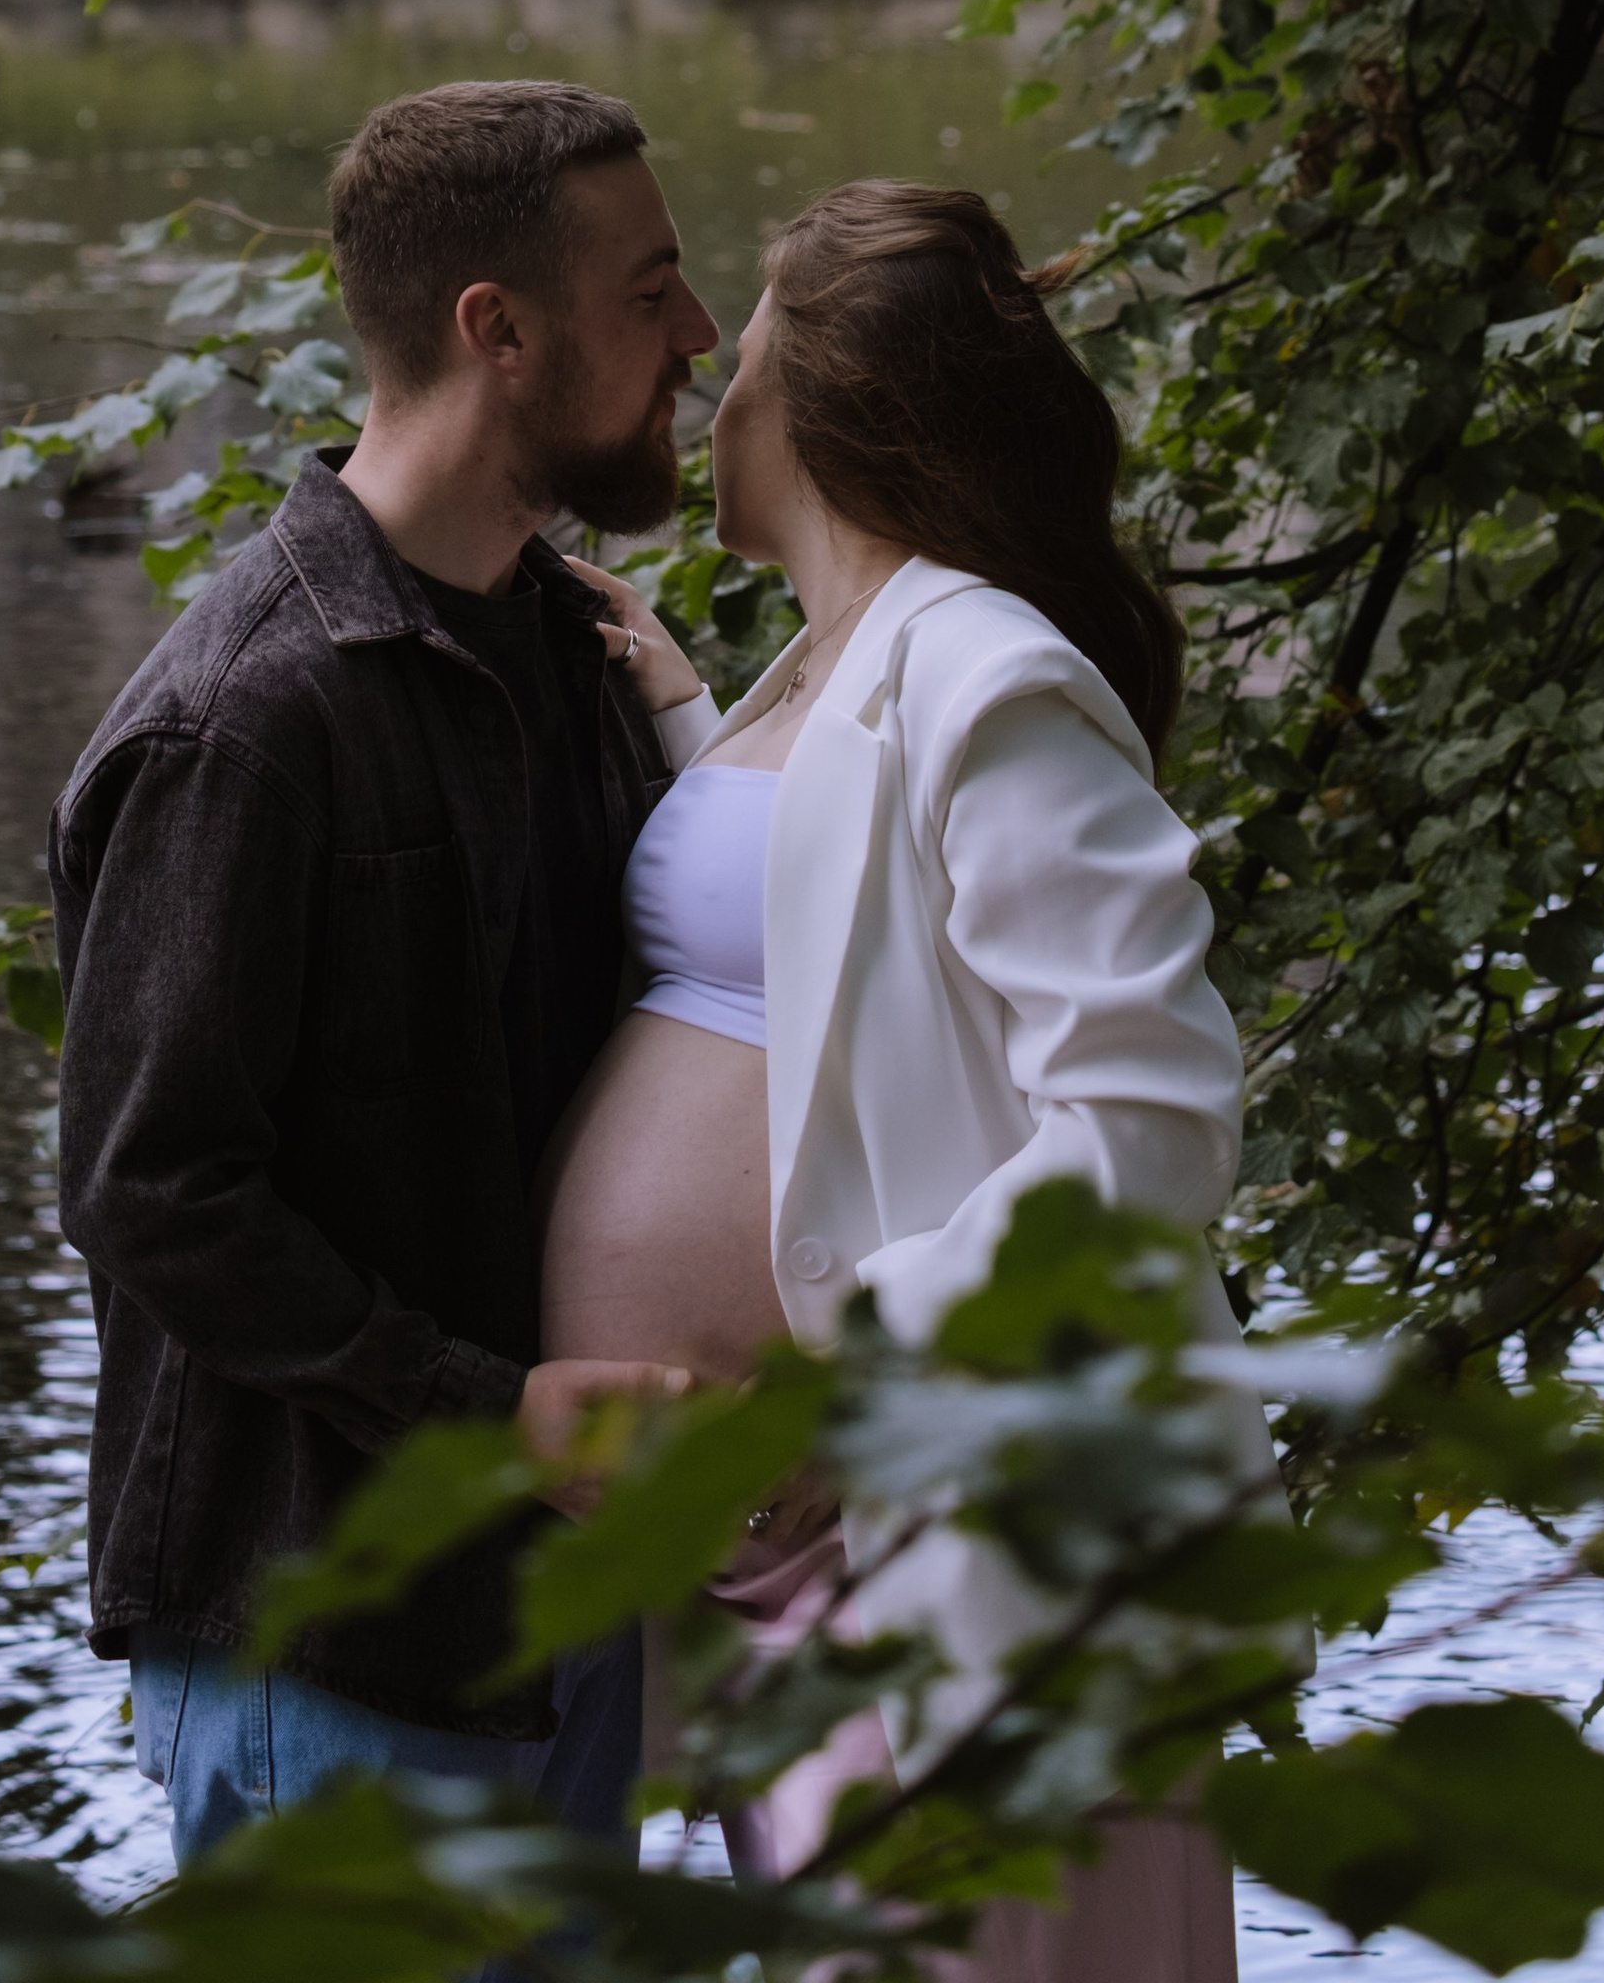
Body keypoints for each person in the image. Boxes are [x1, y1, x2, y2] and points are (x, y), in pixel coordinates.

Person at [537, 180, 1258, 1983]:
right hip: (772, 1555)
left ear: (825, 393)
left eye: (743, 343)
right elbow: (826, 937)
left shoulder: (988, 672)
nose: (708, 371)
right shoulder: (831, 665)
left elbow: (1153, 1117)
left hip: (930, 1516)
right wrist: (686, 723)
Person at [48, 78, 721, 1891]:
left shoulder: (575, 652)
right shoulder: (243, 723)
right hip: (336, 1646)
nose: (699, 333)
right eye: (650, 289)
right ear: (497, 330)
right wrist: (494, 1415)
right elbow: (150, 1189)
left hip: (560, 1612)